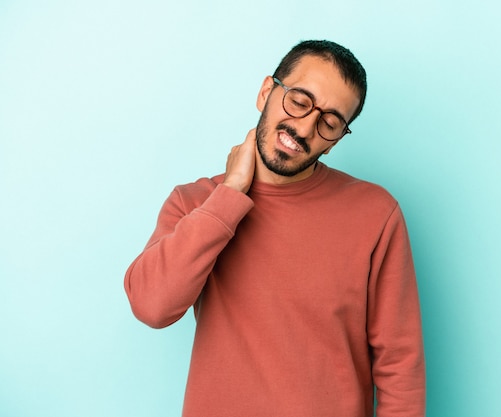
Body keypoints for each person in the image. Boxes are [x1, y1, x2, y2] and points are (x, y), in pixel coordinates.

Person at [124, 39, 425, 417]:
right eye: (299, 102)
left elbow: (400, 364)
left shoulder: (375, 213)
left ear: (335, 141)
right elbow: (152, 306)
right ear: (267, 91)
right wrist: (230, 194)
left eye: (330, 123)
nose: (304, 128)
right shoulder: (196, 202)